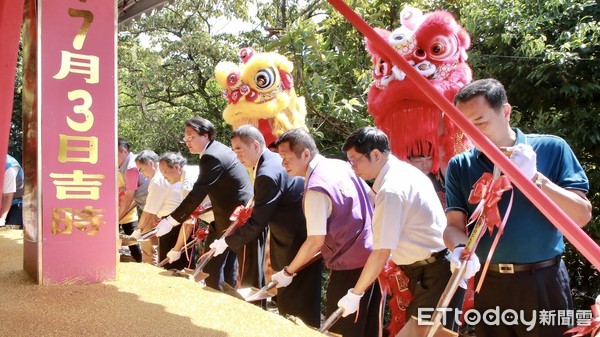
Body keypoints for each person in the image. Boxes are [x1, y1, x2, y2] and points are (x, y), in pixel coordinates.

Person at [444, 78, 592, 337]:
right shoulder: (460, 165)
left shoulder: (551, 148)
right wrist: (458, 248)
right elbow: (454, 225)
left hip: (544, 280)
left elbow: (581, 216)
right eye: (464, 126)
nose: (473, 134)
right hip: (489, 283)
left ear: (506, 112)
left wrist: (535, 179)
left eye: (479, 123)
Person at [338, 126, 462, 335]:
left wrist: (355, 294)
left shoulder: (392, 189)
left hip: (436, 271)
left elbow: (381, 252)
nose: (353, 167)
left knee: (427, 333)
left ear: (375, 155)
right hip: (426, 269)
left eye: (354, 160)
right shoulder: (401, 172)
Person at [270, 128, 379, 337]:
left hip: (350, 267)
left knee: (342, 331)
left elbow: (315, 241)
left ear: (305, 154)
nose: (283, 164)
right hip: (373, 258)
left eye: (286, 158)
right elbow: (372, 198)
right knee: (368, 329)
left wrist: (288, 272)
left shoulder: (316, 189)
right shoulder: (340, 165)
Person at [208, 125, 322, 327]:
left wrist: (226, 242)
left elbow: (257, 223)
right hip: (292, 237)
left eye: (239, 149)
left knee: (295, 301)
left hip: (295, 242)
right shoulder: (271, 162)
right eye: (233, 150)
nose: (237, 156)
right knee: (295, 297)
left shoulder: (267, 173)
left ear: (254, 145)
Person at [154, 117, 264, 293]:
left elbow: (198, 192)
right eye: (185, 138)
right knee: (218, 266)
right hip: (224, 218)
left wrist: (171, 221)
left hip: (238, 220)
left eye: (191, 137)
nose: (187, 142)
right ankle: (225, 301)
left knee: (218, 268)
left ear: (205, 135)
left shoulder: (212, 156)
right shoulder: (215, 151)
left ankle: (224, 304)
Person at [118, 139, 150, 263]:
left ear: (124, 151)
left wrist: (116, 218)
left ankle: (148, 271)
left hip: (151, 207)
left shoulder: (131, 167)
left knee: (146, 243)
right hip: (148, 206)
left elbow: (128, 198)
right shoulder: (125, 166)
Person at [1, 155, 24, 229]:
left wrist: (1, 220)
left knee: (11, 230)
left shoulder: (9, 168)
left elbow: (7, 197)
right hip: (2, 200)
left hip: (17, 203)